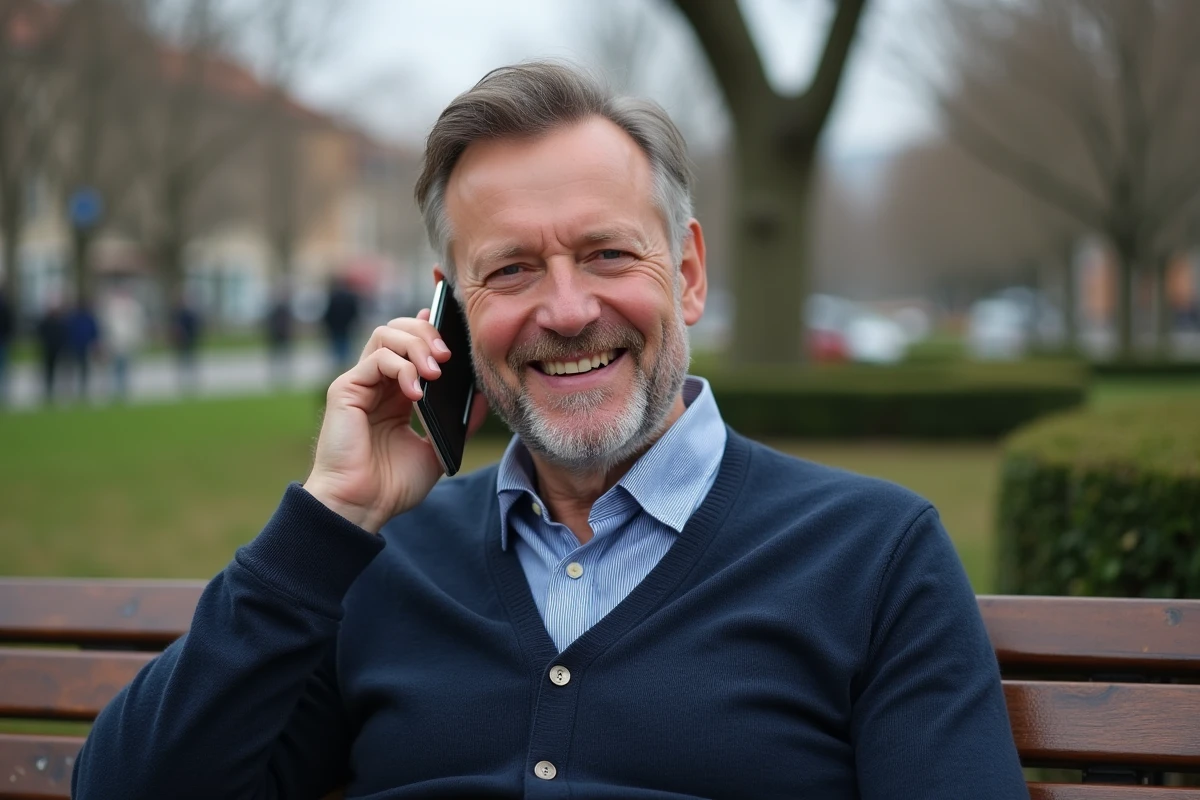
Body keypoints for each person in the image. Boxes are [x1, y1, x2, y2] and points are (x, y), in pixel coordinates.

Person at [73, 63, 1027, 799]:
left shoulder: (876, 557)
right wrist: (329, 518)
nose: (567, 311)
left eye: (607, 254)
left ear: (689, 273)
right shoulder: (375, 565)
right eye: (512, 270)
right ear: (450, 312)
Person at [98, 285, 147, 402]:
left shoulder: (134, 307)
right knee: (115, 369)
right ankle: (115, 392)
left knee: (125, 368)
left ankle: (123, 391)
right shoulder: (112, 308)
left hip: (128, 343)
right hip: (115, 344)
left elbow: (138, 325)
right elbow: (107, 326)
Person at [321, 274, 360, 373]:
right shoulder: (349, 296)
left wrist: (329, 325)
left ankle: (340, 367)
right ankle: (345, 366)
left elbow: (328, 313)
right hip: (346, 327)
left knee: (338, 347)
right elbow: (354, 311)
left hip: (336, 327)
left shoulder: (333, 297)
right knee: (345, 347)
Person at [65, 299, 100, 401]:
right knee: (74, 370)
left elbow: (94, 332)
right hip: (75, 346)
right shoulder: (75, 318)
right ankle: (73, 391)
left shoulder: (84, 318)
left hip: (84, 347)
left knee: (83, 369)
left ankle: (82, 390)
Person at [34, 300, 68, 404]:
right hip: (49, 349)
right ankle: (49, 389)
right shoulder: (48, 323)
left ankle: (54, 389)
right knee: (49, 370)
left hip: (54, 349)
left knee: (54, 370)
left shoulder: (57, 323)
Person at [0, 289, 12, 406]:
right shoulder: (5, 307)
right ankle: (4, 394)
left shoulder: (5, 308)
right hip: (3, 341)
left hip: (2, 341)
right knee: (3, 369)